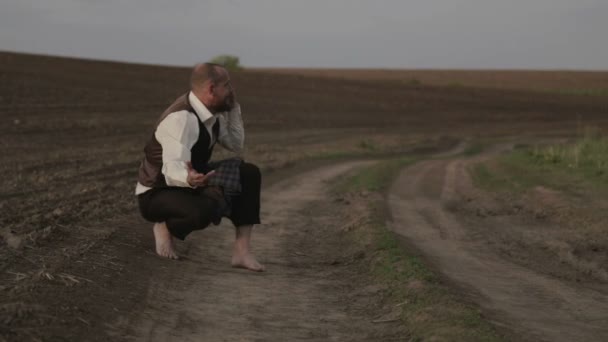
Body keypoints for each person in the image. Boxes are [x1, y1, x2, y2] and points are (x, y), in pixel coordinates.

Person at [135, 63, 264, 272]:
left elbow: (235, 144)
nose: (232, 90)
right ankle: (164, 226)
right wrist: (189, 178)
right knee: (204, 210)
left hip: (191, 181)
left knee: (248, 173)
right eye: (228, 85)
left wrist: (233, 109)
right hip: (158, 191)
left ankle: (242, 252)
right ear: (212, 89)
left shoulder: (212, 114)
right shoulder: (181, 118)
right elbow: (171, 167)